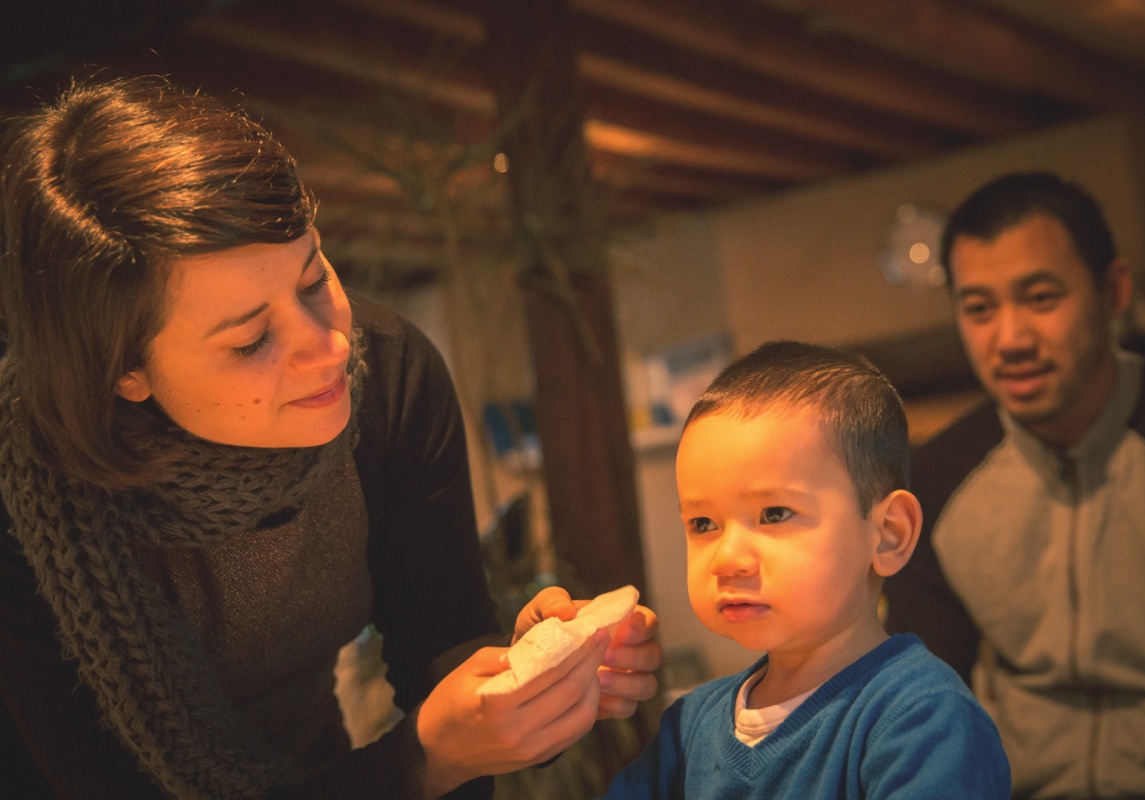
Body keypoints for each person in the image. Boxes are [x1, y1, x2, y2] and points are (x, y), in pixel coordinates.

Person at [0, 74, 661, 799]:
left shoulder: (390, 376)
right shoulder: (30, 499)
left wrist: (517, 682)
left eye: (315, 280)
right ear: (125, 374)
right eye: (252, 340)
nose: (331, 347)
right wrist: (425, 761)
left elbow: (438, 647)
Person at [885, 170, 1145, 799]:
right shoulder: (935, 481)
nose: (1010, 339)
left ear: (1113, 291)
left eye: (1040, 298)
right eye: (979, 309)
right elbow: (926, 699)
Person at [602, 341, 1011, 799]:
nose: (726, 558)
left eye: (774, 514)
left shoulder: (922, 719)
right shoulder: (690, 728)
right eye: (703, 524)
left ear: (888, 534)